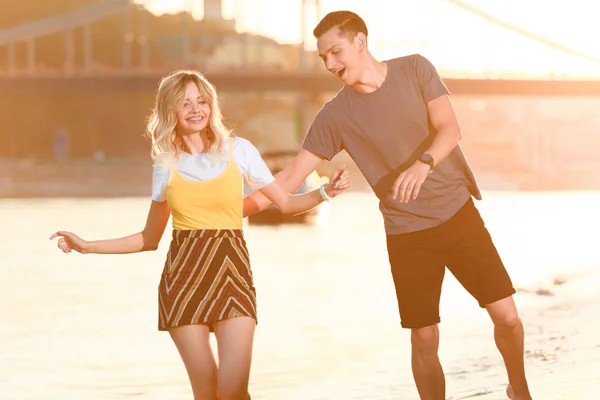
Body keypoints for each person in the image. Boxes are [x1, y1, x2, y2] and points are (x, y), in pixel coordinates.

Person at [243, 10, 532, 400]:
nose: (329, 64)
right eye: (323, 57)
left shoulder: (415, 68)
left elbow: (450, 127)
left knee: (508, 318)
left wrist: (423, 164)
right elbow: (292, 176)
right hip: (407, 232)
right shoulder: (334, 116)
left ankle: (520, 389)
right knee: (424, 336)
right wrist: (234, 208)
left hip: (457, 214)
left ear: (360, 42)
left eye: (335, 52)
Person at [49, 70, 351, 400]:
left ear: (211, 106)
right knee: (206, 392)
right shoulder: (166, 165)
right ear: (171, 112)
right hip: (183, 281)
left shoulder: (240, 150)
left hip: (232, 275)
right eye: (185, 103)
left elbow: (285, 204)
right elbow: (149, 239)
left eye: (202, 101)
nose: (196, 109)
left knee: (233, 390)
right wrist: (88, 246)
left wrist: (326, 192)